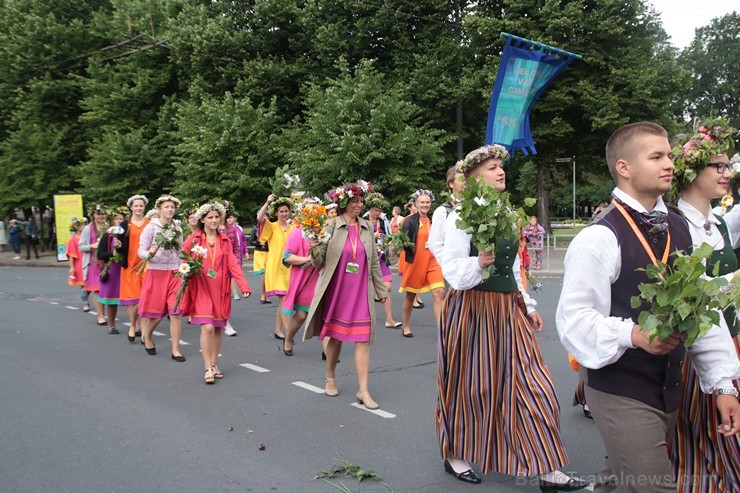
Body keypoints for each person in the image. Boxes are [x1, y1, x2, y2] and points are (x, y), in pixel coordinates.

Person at [556, 122, 740, 492]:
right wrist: (632, 334)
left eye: (669, 155)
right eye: (656, 157)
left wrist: (723, 384)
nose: (669, 163)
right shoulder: (600, 236)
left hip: (669, 387)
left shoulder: (681, 226)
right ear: (624, 167)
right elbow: (574, 321)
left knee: (620, 482)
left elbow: (701, 309)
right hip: (620, 389)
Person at [437, 144, 586, 490]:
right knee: (470, 387)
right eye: (491, 168)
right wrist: (477, 262)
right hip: (473, 310)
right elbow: (453, 271)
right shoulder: (462, 216)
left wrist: (527, 305)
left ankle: (548, 469)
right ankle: (455, 453)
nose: (499, 171)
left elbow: (515, 266)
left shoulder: (506, 212)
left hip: (508, 310)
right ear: (473, 178)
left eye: (499, 166)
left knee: (536, 384)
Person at [670, 118, 740, 492]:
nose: (726, 172)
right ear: (692, 171)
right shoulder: (674, 225)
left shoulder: (722, 224)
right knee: (700, 446)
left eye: (727, 165)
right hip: (696, 353)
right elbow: (686, 294)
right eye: (719, 165)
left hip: (732, 339)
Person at [302, 181, 387, 409]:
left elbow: (374, 263)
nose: (359, 205)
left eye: (361, 201)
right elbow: (318, 262)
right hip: (337, 290)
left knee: (364, 340)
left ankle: (363, 390)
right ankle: (330, 375)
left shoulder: (368, 227)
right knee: (336, 337)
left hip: (360, 291)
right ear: (343, 203)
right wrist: (314, 247)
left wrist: (381, 290)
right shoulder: (331, 226)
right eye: (354, 201)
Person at [181, 202, 251, 384]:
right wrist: (186, 271)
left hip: (221, 288)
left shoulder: (224, 240)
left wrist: (243, 285)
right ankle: (207, 367)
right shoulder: (194, 239)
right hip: (202, 287)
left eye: (216, 217)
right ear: (202, 219)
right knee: (208, 327)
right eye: (210, 217)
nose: (214, 220)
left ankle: (214, 364)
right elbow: (182, 258)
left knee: (219, 327)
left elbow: (233, 264)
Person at [138, 195, 186, 362]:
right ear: (159, 209)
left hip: (174, 273)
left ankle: (175, 350)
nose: (170, 210)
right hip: (156, 272)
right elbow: (141, 250)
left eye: (172, 207)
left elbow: (180, 251)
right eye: (167, 207)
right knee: (157, 314)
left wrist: (183, 269)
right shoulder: (151, 227)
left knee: (175, 311)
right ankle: (148, 335)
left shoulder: (178, 228)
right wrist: (149, 254)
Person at [281, 199, 325, 356]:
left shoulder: (324, 233)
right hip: (304, 281)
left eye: (316, 212)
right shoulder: (297, 233)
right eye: (310, 212)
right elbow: (286, 257)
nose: (314, 215)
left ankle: (328, 350)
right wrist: (307, 259)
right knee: (301, 315)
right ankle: (288, 339)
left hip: (321, 278)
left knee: (325, 315)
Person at [399, 189, 446, 337]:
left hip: (433, 261)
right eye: (422, 202)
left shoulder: (434, 220)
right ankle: (406, 325)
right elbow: (404, 242)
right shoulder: (409, 221)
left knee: (439, 293)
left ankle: (442, 331)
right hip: (416, 261)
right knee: (411, 295)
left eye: (427, 202)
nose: (425, 205)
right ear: (416, 204)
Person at [257, 194, 296, 340]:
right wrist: (267, 202)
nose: (284, 214)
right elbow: (260, 218)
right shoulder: (271, 226)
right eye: (281, 211)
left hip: (291, 268)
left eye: (286, 211)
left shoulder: (294, 227)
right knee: (283, 299)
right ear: (276, 213)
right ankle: (288, 334)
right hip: (276, 267)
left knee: (285, 301)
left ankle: (278, 330)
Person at [365, 192, 402, 328]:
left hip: (381, 258)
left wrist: (390, 247)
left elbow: (387, 235)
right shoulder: (363, 220)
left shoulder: (383, 220)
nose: (377, 213)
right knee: (364, 290)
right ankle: (361, 318)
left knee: (387, 287)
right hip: (367, 259)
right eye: (375, 210)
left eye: (379, 210)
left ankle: (389, 319)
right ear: (369, 208)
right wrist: (371, 235)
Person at [119, 195, 149, 343]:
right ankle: (133, 325)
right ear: (131, 207)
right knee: (132, 300)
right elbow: (117, 246)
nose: (138, 208)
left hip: (145, 266)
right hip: (129, 266)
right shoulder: (125, 225)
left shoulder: (150, 224)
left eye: (141, 206)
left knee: (144, 299)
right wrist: (117, 246)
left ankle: (144, 330)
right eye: (136, 206)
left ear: (144, 207)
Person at [97, 208, 127, 335]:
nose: (118, 221)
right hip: (112, 270)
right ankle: (111, 325)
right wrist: (111, 253)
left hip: (125, 269)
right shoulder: (107, 236)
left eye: (121, 219)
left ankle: (136, 326)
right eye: (116, 219)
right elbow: (100, 254)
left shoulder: (127, 235)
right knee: (112, 299)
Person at [428, 165, 465, 263]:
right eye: (462, 179)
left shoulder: (477, 205)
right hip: (456, 269)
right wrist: (449, 265)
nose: (466, 182)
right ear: (451, 184)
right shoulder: (443, 211)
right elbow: (435, 243)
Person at [79, 204, 108, 326]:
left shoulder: (108, 226)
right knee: (97, 289)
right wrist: (92, 246)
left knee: (106, 289)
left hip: (106, 261)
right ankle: (100, 316)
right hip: (94, 263)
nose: (100, 216)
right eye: (98, 213)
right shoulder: (88, 228)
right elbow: (81, 246)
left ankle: (105, 313)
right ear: (93, 215)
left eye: (102, 213)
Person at [66, 217, 86, 299]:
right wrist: (72, 267)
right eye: (81, 225)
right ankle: (85, 303)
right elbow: (71, 255)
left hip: (88, 263)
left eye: (84, 224)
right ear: (76, 228)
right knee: (82, 285)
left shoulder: (87, 238)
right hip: (79, 264)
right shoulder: (73, 240)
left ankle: (85, 298)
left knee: (92, 285)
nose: (83, 226)